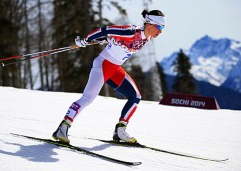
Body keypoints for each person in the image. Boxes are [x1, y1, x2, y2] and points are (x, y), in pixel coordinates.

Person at [52, 9, 166, 144]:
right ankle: (63, 127)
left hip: (115, 69)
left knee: (135, 97)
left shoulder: (147, 37)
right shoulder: (130, 31)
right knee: (88, 98)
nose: (160, 31)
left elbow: (111, 37)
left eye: (163, 28)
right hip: (102, 66)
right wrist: (85, 40)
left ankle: (120, 131)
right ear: (149, 25)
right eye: (159, 27)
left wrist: (105, 39)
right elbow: (104, 30)